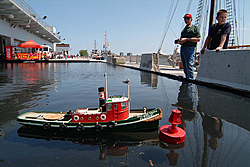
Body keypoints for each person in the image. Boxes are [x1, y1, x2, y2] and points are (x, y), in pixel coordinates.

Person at [175, 13, 201, 80]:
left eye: (188, 18)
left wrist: (187, 39)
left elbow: (198, 39)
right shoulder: (184, 30)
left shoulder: (195, 28)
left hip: (190, 48)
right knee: (185, 65)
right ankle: (187, 78)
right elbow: (182, 39)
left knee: (189, 65)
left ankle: (191, 79)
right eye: (185, 19)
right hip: (183, 48)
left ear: (191, 19)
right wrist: (178, 41)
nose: (186, 20)